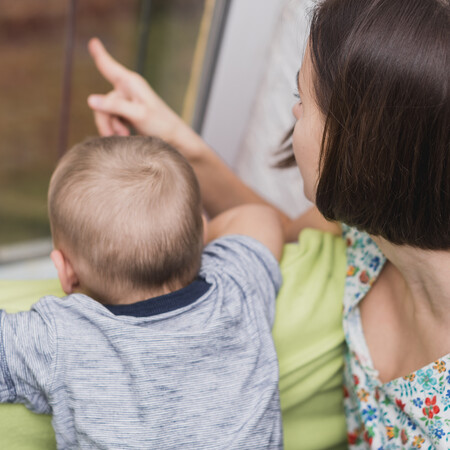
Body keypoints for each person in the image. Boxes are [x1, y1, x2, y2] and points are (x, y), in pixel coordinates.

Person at [87, 0, 450, 447]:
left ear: (368, 146)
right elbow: (285, 229)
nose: (295, 113)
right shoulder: (374, 230)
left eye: (304, 99)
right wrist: (182, 146)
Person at [0, 135, 286, 448]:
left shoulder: (59, 336)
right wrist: (197, 242)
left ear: (66, 272)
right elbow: (259, 217)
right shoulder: (236, 290)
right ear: (203, 236)